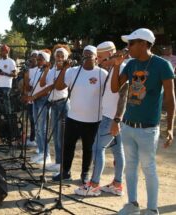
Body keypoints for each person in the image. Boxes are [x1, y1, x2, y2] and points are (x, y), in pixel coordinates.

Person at [111, 28, 175, 215]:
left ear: (143, 44)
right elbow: (115, 88)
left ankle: (152, 209)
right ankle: (132, 204)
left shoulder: (162, 65)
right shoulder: (130, 65)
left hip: (148, 128)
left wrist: (170, 128)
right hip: (128, 125)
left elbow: (171, 99)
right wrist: (116, 65)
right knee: (130, 166)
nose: (127, 47)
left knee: (148, 168)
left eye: (131, 43)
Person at [74, 41, 128, 196]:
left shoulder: (121, 68)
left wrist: (116, 120)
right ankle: (117, 184)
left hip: (111, 118)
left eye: (102, 58)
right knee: (118, 151)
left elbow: (124, 96)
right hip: (112, 117)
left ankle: (94, 185)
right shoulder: (112, 68)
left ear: (110, 54)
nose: (100, 61)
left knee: (98, 148)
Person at [52, 45, 108, 183]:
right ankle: (65, 172)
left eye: (90, 54)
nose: (87, 56)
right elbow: (59, 87)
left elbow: (108, 94)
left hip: (93, 120)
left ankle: (85, 174)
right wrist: (64, 69)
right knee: (68, 146)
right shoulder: (73, 71)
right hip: (73, 117)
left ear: (96, 57)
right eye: (85, 54)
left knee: (88, 148)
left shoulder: (102, 73)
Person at [29, 45, 71, 171]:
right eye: (57, 56)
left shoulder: (68, 71)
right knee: (55, 136)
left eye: (62, 56)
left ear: (66, 58)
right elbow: (43, 84)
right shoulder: (52, 70)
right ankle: (58, 162)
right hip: (53, 104)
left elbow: (58, 87)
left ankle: (62, 163)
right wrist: (47, 70)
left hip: (62, 104)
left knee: (60, 136)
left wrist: (63, 68)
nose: (59, 58)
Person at [24, 49, 52, 165]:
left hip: (43, 101)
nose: (38, 61)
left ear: (46, 61)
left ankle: (46, 154)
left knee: (43, 129)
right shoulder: (37, 71)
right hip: (35, 101)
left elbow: (46, 89)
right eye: (38, 59)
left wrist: (34, 96)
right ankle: (41, 152)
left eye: (41, 59)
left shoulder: (49, 72)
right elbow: (31, 86)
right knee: (38, 128)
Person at [0, 45, 17, 114]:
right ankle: (3, 117)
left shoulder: (11, 61)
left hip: (7, 85)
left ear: (7, 51)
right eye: (0, 50)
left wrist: (4, 73)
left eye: (2, 51)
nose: (1, 52)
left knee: (6, 103)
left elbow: (15, 75)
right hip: (0, 85)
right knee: (0, 102)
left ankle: (9, 117)